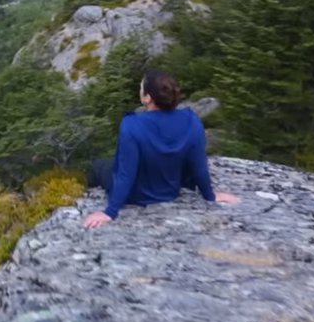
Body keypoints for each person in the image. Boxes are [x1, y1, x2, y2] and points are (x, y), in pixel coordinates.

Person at [83, 70, 240, 229]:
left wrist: (110, 212)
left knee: (98, 165)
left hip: (136, 196)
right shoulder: (191, 120)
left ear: (147, 98)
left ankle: (81, 192)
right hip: (170, 192)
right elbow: (199, 166)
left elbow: (126, 173)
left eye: (141, 88)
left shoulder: (132, 124)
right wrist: (210, 196)